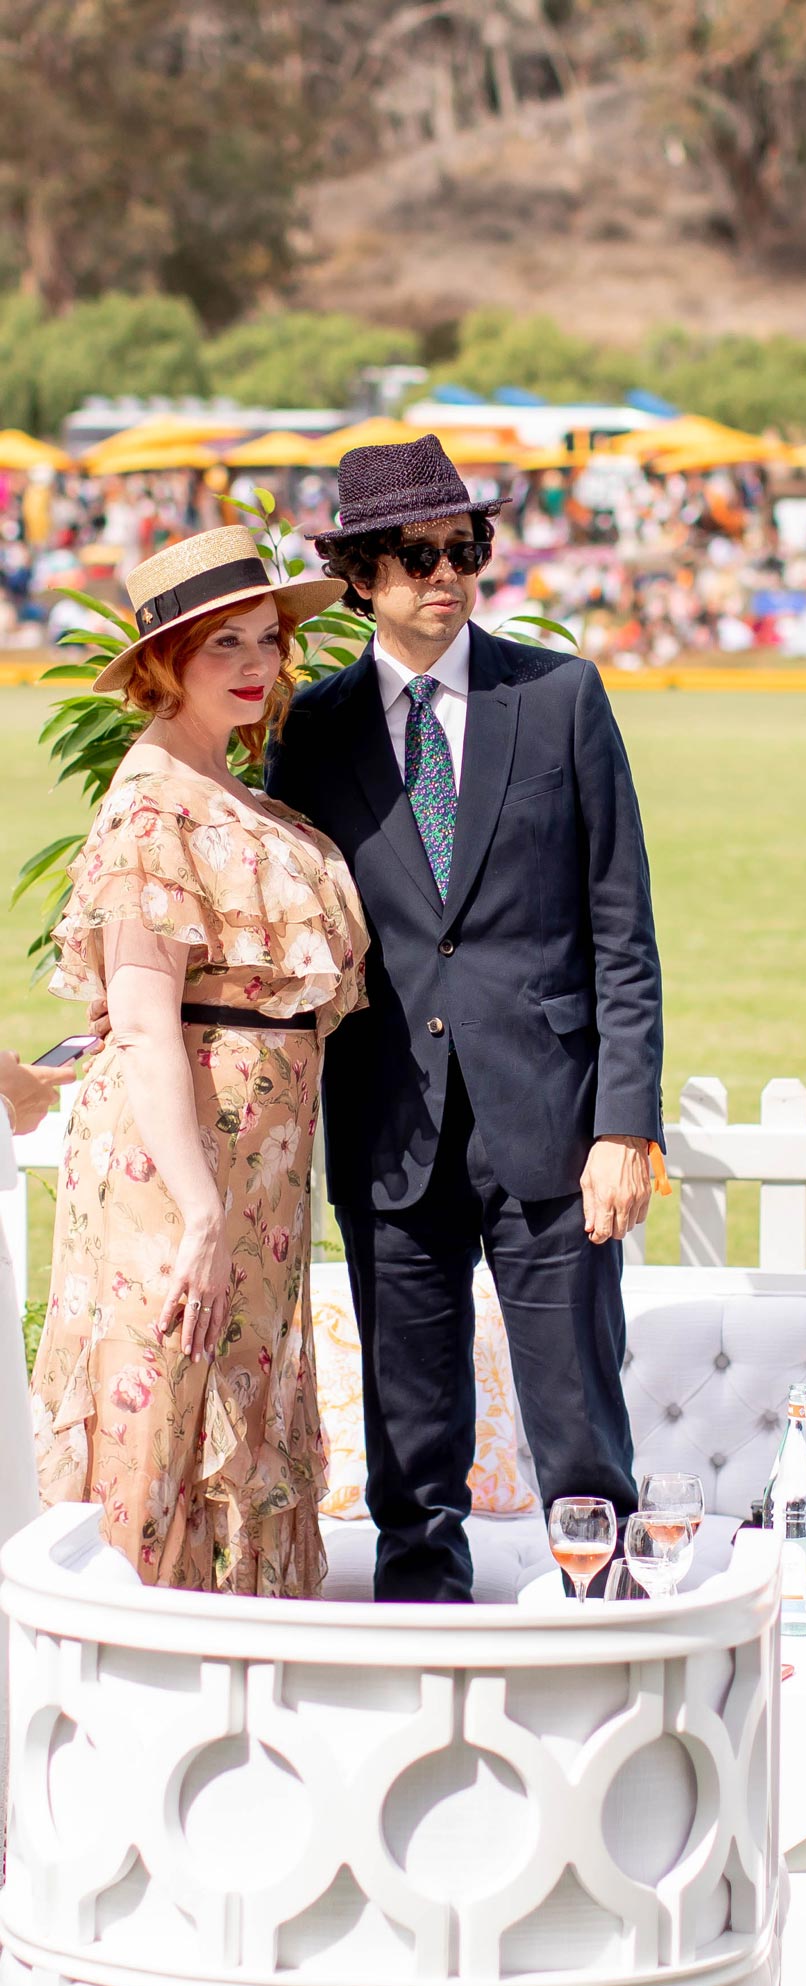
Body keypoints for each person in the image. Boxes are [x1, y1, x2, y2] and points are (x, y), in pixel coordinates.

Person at [265, 435, 664, 1605]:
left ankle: (605, 1618)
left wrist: (624, 1126)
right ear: (358, 576)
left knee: (579, 1414)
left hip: (552, 1125)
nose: (445, 575)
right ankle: (419, 1626)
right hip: (389, 1126)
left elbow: (622, 931)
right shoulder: (312, 732)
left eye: (463, 549)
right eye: (414, 555)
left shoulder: (559, 698)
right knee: (410, 1433)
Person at [32, 527, 366, 1594]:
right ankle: (144, 1649)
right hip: (177, 1168)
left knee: (239, 1393)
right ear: (165, 663)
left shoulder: (233, 789)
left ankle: (241, 1648)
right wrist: (199, 1212)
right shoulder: (150, 805)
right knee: (169, 1395)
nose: (257, 663)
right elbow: (141, 1023)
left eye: (267, 639)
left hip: (256, 1166)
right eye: (225, 643)